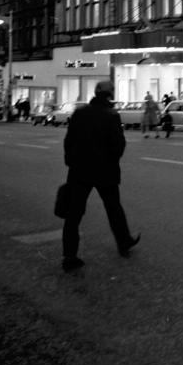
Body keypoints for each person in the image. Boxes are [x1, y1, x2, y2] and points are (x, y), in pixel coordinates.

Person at [60, 79, 140, 272]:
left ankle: (69, 256)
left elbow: (68, 141)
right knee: (114, 209)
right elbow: (118, 145)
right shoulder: (111, 115)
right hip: (105, 171)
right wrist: (112, 161)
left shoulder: (80, 113)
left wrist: (71, 162)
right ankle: (124, 242)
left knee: (73, 215)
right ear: (110, 95)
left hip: (80, 170)